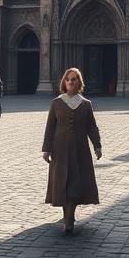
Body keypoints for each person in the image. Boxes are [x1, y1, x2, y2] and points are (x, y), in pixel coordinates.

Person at [41, 67, 102, 234]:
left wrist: (97, 145)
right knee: (62, 183)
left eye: (74, 79)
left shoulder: (85, 104)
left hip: (79, 150)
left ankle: (69, 217)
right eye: (68, 79)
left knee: (75, 182)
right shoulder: (57, 103)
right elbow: (50, 127)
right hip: (59, 149)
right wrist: (46, 149)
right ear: (64, 82)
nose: (70, 82)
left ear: (79, 83)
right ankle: (67, 214)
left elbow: (92, 127)